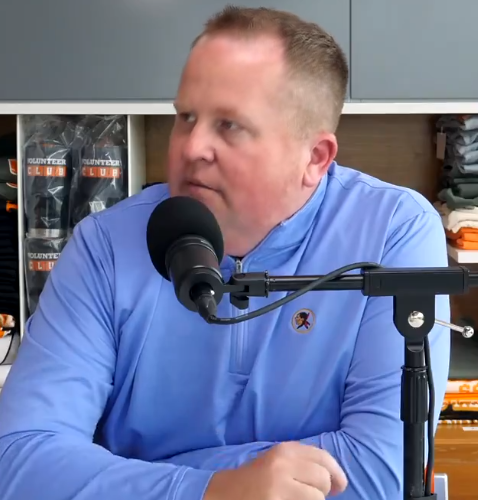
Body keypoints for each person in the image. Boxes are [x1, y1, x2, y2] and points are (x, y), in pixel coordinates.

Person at [0, 6, 450, 500]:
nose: (191, 146)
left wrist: (135, 476)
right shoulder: (104, 246)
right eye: (186, 117)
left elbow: (384, 472)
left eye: (229, 125)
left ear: (314, 158)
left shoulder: (392, 231)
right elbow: (20, 460)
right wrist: (212, 489)